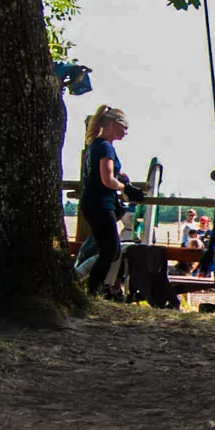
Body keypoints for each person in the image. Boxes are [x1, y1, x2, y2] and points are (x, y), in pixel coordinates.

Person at [79, 105, 132, 297]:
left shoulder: (96, 145)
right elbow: (107, 180)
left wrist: (119, 176)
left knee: (108, 249)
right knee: (111, 250)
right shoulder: (105, 147)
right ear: (112, 124)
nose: (126, 132)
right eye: (124, 127)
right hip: (100, 203)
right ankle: (92, 290)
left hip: (93, 202)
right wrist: (124, 187)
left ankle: (91, 287)